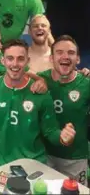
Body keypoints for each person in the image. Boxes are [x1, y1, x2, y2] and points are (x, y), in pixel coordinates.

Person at [0, 39, 76, 168]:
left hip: (34, 164)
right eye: (10, 58)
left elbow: (50, 131)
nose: (15, 64)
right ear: (3, 61)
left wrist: (63, 137)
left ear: (27, 61)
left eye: (20, 59)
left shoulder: (40, 92)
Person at [38, 35, 90, 186]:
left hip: (75, 158)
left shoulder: (86, 84)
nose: (65, 56)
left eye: (71, 53)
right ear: (51, 58)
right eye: (60, 52)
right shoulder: (41, 80)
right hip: (45, 155)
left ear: (78, 59)